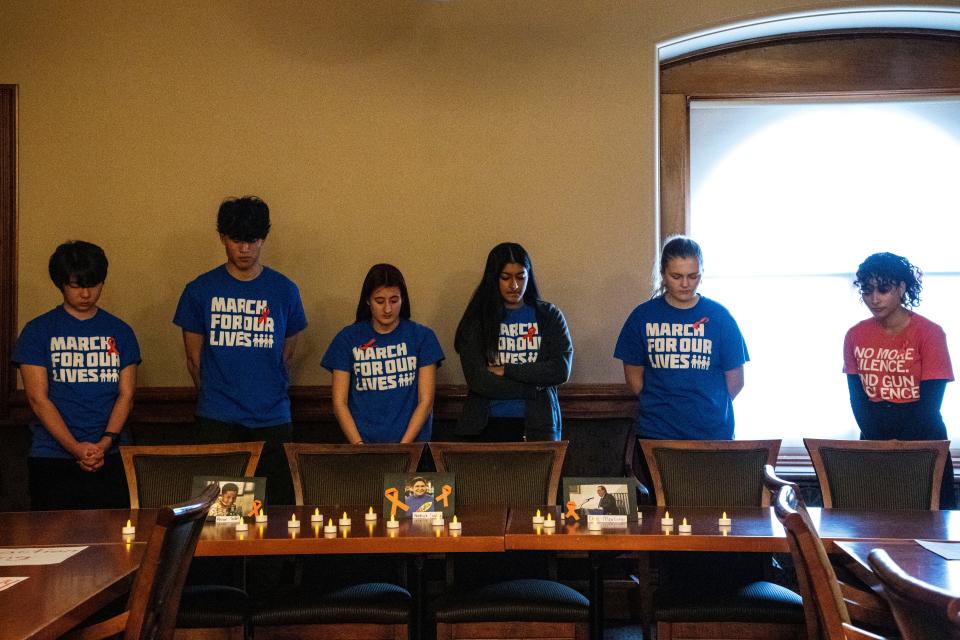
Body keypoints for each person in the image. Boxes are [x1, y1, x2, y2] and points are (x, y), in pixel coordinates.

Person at [173, 196, 307, 505]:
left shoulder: (285, 290)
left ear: (264, 238)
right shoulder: (200, 290)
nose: (244, 249)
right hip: (217, 418)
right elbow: (194, 360)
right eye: (236, 240)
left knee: (273, 515)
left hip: (272, 417)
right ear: (222, 237)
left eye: (252, 240)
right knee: (221, 517)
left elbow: (287, 354)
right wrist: (218, 397)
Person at [13, 241, 140, 510]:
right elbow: (38, 398)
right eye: (76, 285)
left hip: (113, 453)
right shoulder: (38, 331)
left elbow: (126, 395)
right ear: (61, 284)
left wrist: (104, 443)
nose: (86, 293)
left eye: (93, 285)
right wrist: (75, 448)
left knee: (115, 543)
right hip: (52, 455)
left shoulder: (120, 331)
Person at [843, 252, 955, 509]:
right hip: (873, 436)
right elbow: (857, 397)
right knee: (875, 521)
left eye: (883, 289)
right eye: (867, 290)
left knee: (930, 524)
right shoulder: (855, 334)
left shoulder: (930, 333)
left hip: (923, 440)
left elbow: (930, 405)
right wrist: (878, 442)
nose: (874, 298)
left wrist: (899, 446)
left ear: (902, 288)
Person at [614, 235, 749, 440]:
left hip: (712, 432)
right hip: (657, 431)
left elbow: (736, 381)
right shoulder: (642, 317)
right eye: (676, 276)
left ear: (702, 273)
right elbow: (634, 380)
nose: (685, 284)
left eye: (693, 276)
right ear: (662, 274)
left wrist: (707, 408)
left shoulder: (720, 317)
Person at [454, 242, 573, 441]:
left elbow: (560, 370)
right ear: (494, 278)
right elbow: (479, 381)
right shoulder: (477, 320)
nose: (514, 285)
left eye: (520, 277)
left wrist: (508, 370)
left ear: (529, 276)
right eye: (505, 277)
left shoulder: (549, 315)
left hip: (538, 425)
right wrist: (534, 387)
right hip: (485, 426)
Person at [321, 264, 444, 443]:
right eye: (380, 301)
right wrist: (359, 446)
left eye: (394, 301)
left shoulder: (422, 337)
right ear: (368, 300)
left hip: (413, 447)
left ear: (403, 299)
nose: (387, 309)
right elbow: (340, 403)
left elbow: (426, 401)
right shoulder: (347, 338)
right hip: (363, 446)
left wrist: (404, 448)